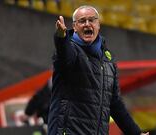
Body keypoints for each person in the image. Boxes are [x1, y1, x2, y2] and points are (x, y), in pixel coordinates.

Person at [48, 5, 149, 135]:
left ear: (98, 25)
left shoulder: (108, 61)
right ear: (74, 27)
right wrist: (61, 38)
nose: (87, 24)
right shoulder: (70, 49)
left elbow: (115, 103)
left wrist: (135, 133)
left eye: (91, 20)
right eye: (82, 21)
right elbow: (65, 56)